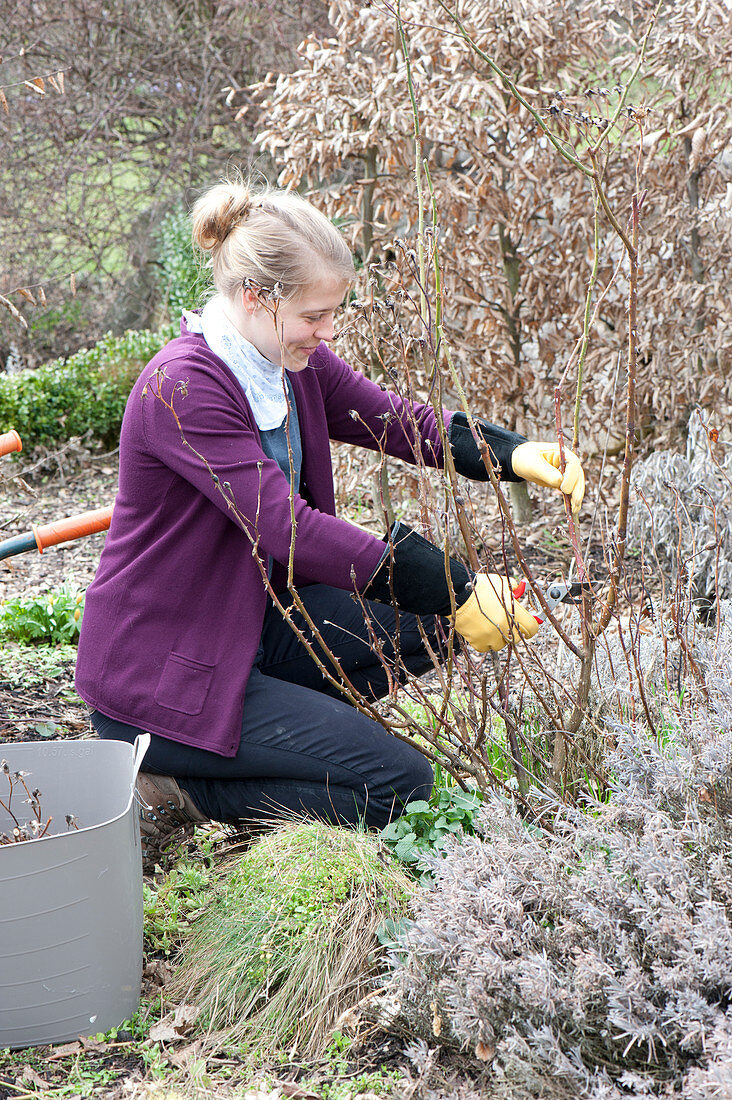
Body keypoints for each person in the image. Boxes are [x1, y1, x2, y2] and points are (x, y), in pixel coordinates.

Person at [74, 179, 585, 868]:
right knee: (405, 788)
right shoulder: (184, 387)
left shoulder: (289, 363)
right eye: (317, 314)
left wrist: (511, 453)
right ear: (257, 298)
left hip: (252, 625)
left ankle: (276, 734)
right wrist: (460, 589)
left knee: (430, 628)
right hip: (165, 677)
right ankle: (182, 788)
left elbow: (397, 421)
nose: (329, 332)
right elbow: (289, 530)